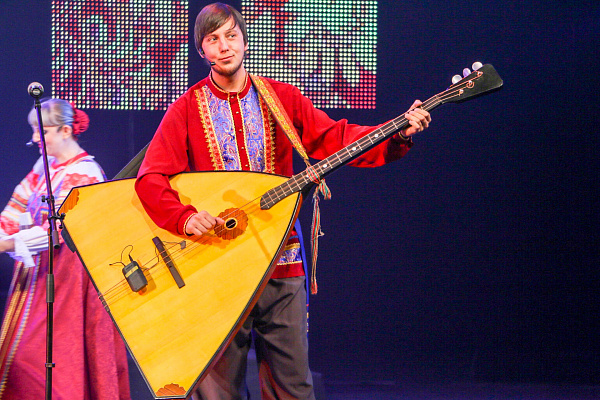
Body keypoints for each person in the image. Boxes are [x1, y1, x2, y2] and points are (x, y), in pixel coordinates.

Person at [134, 3, 431, 399]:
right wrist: (184, 218)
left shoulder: (280, 97)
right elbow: (150, 178)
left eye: (231, 35)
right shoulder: (187, 107)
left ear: (244, 40)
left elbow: (336, 139)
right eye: (213, 39)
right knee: (217, 390)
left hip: (281, 259)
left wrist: (397, 132)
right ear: (202, 50)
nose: (224, 46)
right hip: (219, 267)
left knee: (292, 385)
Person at [0, 99, 131, 399]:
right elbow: (15, 209)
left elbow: (60, 229)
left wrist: (9, 243)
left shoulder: (85, 173)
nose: (35, 138)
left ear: (65, 131)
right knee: (19, 359)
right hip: (40, 274)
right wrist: (3, 233)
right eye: (34, 130)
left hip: (69, 280)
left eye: (42, 131)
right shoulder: (44, 167)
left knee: (45, 360)